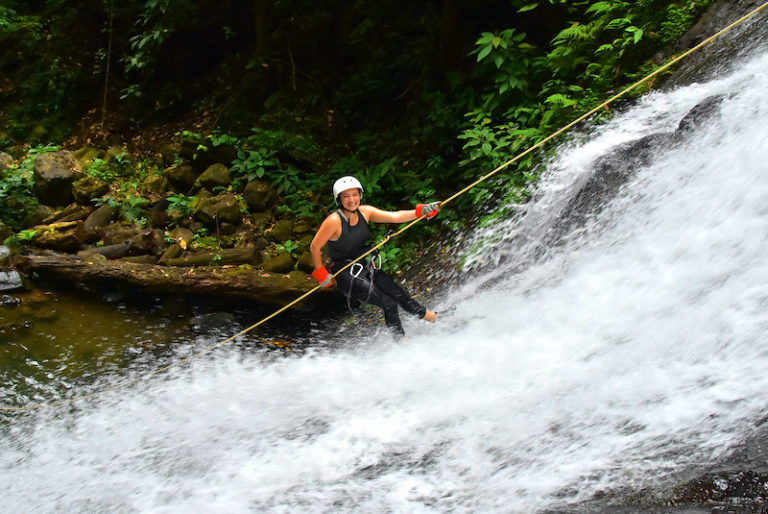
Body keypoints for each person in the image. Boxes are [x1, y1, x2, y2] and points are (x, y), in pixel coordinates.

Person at [310, 176, 441, 338]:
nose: (352, 200)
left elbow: (396, 216)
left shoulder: (366, 212)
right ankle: (401, 342)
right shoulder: (333, 221)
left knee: (400, 295)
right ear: (339, 199)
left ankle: (436, 319)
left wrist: (420, 212)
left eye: (355, 194)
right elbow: (315, 246)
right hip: (345, 273)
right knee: (389, 303)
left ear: (360, 195)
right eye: (346, 196)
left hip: (364, 265)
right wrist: (321, 273)